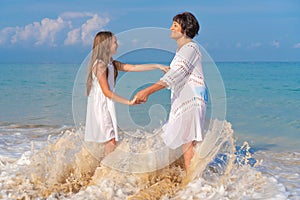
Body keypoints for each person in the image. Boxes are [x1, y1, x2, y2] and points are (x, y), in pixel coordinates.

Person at [134, 12, 208, 173]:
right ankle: (191, 181)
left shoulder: (191, 48)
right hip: (187, 100)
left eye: (175, 25)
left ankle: (192, 186)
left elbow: (178, 74)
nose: (170, 28)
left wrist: (147, 91)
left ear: (185, 28)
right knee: (185, 142)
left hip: (192, 100)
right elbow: (180, 71)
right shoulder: (184, 50)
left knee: (188, 143)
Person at [85, 31, 168, 156]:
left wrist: (157, 65)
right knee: (111, 140)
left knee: (109, 140)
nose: (117, 45)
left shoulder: (111, 64)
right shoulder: (100, 65)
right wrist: (128, 102)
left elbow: (133, 67)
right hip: (101, 107)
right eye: (114, 42)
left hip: (107, 104)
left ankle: (99, 169)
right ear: (105, 45)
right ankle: (102, 170)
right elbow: (106, 92)